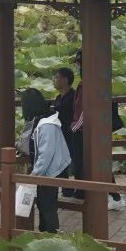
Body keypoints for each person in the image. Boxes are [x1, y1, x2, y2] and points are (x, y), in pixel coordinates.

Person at [69, 49, 125, 209]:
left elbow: (84, 110)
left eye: (79, 63)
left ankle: (112, 196)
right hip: (98, 129)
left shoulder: (88, 83)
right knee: (97, 163)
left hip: (86, 131)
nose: (78, 66)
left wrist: (75, 127)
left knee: (90, 163)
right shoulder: (99, 81)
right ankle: (106, 195)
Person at [22, 88, 71, 233]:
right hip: (48, 169)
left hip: (51, 170)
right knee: (45, 202)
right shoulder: (42, 120)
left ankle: (50, 233)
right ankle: (46, 232)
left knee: (47, 204)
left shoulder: (47, 125)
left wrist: (36, 174)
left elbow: (46, 154)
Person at [53, 67, 76, 198]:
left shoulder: (72, 97)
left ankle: (72, 190)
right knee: (60, 162)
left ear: (65, 80)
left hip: (70, 135)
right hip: (58, 135)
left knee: (69, 163)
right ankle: (66, 190)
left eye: (57, 77)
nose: (54, 80)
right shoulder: (58, 98)